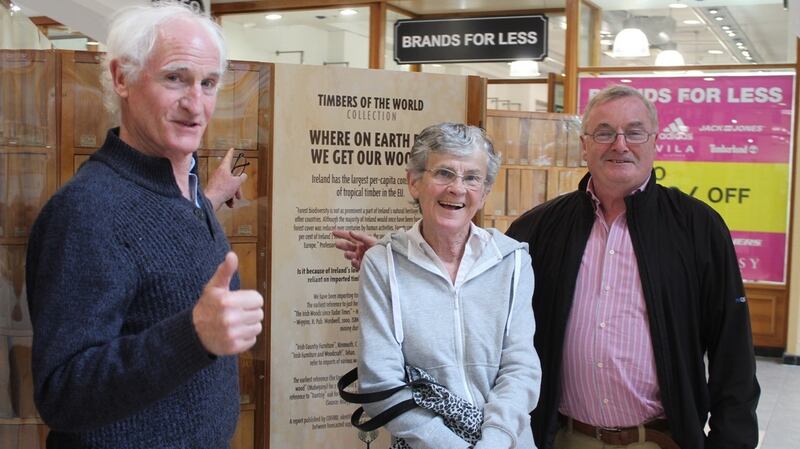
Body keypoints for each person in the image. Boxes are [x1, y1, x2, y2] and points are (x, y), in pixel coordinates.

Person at [334, 85, 760, 449]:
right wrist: (402, 264)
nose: (620, 144)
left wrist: (732, 440)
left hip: (660, 438)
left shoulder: (698, 227)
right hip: (562, 436)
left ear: (654, 140)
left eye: (634, 132)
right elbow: (474, 298)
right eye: (604, 133)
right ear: (584, 144)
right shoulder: (537, 229)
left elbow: (731, 346)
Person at [25, 3, 263, 447]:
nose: (195, 104)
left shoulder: (188, 191)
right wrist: (192, 335)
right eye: (175, 78)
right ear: (122, 79)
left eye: (208, 83)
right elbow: (62, 394)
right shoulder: (85, 211)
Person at [356, 123, 541, 449]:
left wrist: (493, 441)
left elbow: (520, 367)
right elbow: (378, 382)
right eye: (444, 173)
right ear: (414, 182)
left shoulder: (512, 262)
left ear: (484, 192)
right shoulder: (382, 264)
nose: (457, 188)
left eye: (472, 178)